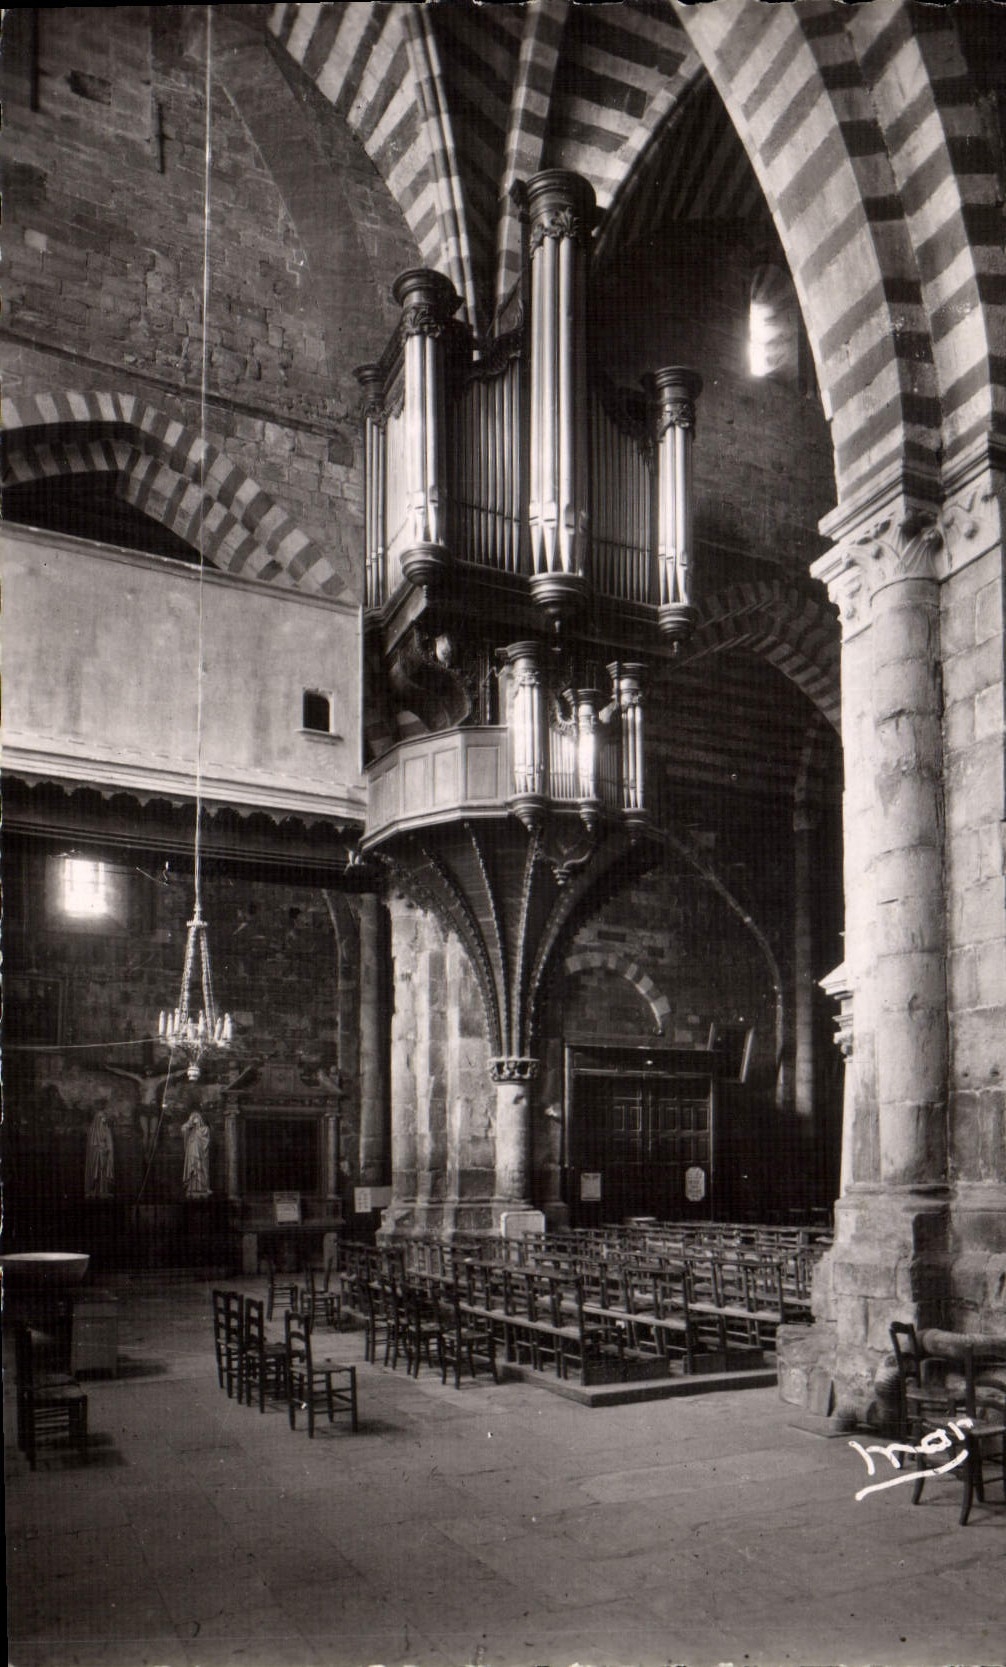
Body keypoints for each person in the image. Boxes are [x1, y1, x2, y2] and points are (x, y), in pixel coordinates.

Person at [84, 1109, 114, 1197]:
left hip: (104, 1155)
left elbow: (109, 1143)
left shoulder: (107, 1129)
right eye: (102, 1117)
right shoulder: (92, 1129)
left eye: (104, 1117)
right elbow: (91, 1146)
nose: (104, 1119)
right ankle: (93, 1191)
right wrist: (99, 1149)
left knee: (103, 1173)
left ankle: (103, 1191)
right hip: (96, 1157)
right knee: (95, 1173)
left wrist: (107, 1149)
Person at [181, 1110, 211, 1198]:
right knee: (192, 1169)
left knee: (200, 1168)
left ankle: (203, 1187)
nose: (195, 1119)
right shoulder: (190, 1130)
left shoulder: (205, 1128)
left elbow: (207, 1141)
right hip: (191, 1153)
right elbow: (183, 1129)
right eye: (193, 1118)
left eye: (196, 1117)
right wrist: (189, 1123)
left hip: (201, 1155)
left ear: (200, 1119)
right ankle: (191, 1188)